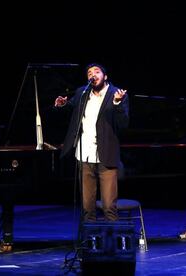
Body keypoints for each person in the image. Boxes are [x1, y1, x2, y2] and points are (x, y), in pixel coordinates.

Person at [54, 63, 129, 222]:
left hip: (106, 156)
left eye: (96, 71)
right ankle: (90, 244)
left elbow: (123, 125)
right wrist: (63, 104)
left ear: (105, 76)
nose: (92, 75)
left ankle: (111, 245)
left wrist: (117, 104)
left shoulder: (117, 94)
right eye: (89, 73)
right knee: (87, 207)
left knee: (109, 206)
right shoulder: (82, 92)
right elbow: (72, 108)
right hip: (84, 155)